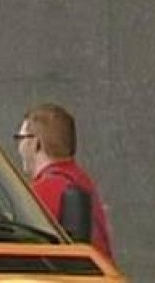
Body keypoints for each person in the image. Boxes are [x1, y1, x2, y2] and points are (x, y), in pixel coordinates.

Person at [15, 103, 114, 262]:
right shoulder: (80, 179)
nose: (19, 147)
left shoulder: (47, 190)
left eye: (20, 139)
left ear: (36, 143)